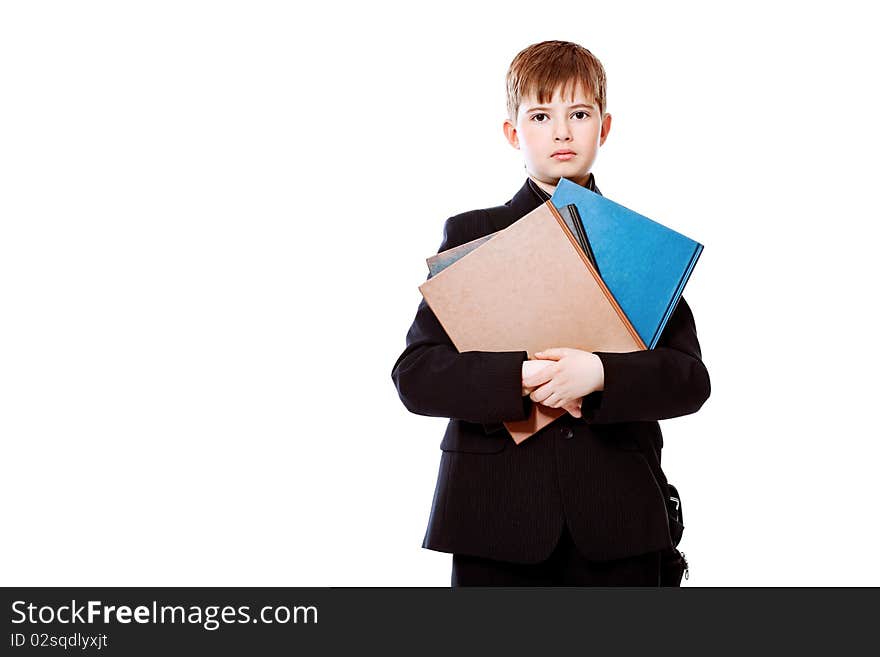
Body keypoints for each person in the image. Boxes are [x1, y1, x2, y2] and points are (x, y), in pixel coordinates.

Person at [390, 40, 710, 586]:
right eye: (541, 115)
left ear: (604, 127)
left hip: (621, 522)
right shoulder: (474, 234)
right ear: (514, 133)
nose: (562, 132)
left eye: (579, 114)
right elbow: (417, 376)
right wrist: (519, 377)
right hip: (495, 520)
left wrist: (602, 375)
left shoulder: (636, 246)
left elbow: (688, 380)